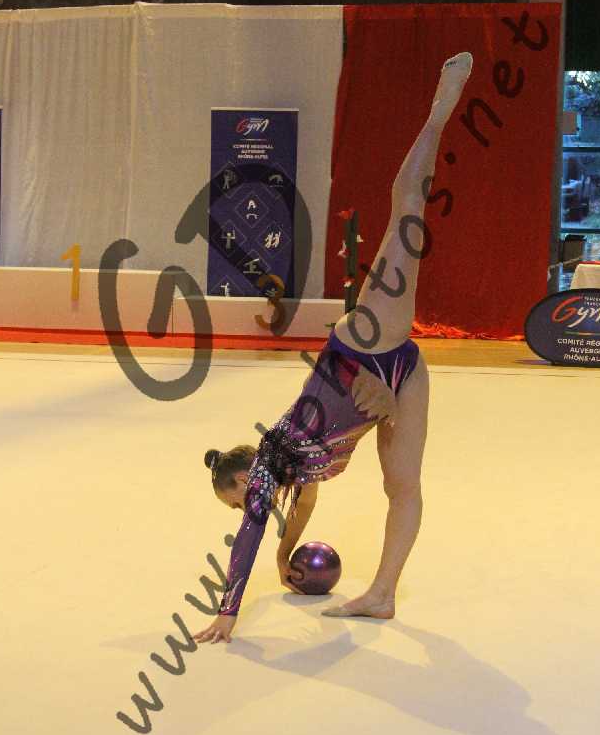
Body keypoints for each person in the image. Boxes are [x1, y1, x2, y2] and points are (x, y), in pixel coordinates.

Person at [194, 52, 473, 643]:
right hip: (400, 375)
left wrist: (228, 610)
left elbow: (249, 533)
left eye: (238, 500)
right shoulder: (293, 470)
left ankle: (439, 112)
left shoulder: (273, 458)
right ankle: (382, 594)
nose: (248, 508)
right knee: (403, 486)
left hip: (365, 347)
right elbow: (302, 507)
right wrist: (286, 553)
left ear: (245, 479)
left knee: (407, 212)